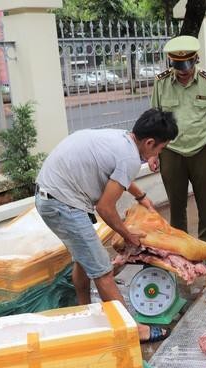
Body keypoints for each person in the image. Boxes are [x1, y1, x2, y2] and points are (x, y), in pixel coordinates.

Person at [35, 108, 178, 343]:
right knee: (102, 270)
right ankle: (132, 330)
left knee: (83, 258)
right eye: (160, 149)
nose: (159, 154)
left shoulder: (123, 138)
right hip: (63, 203)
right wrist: (127, 233)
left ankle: (85, 311)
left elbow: (118, 173)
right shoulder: (130, 157)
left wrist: (141, 196)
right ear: (150, 142)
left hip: (51, 195)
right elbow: (105, 208)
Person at [149, 35, 206, 271]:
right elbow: (154, 118)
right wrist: (153, 154)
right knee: (177, 205)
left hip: (202, 149)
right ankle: (181, 251)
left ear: (195, 60)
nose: (183, 72)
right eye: (177, 66)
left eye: (187, 66)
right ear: (171, 63)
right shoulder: (161, 83)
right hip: (171, 151)